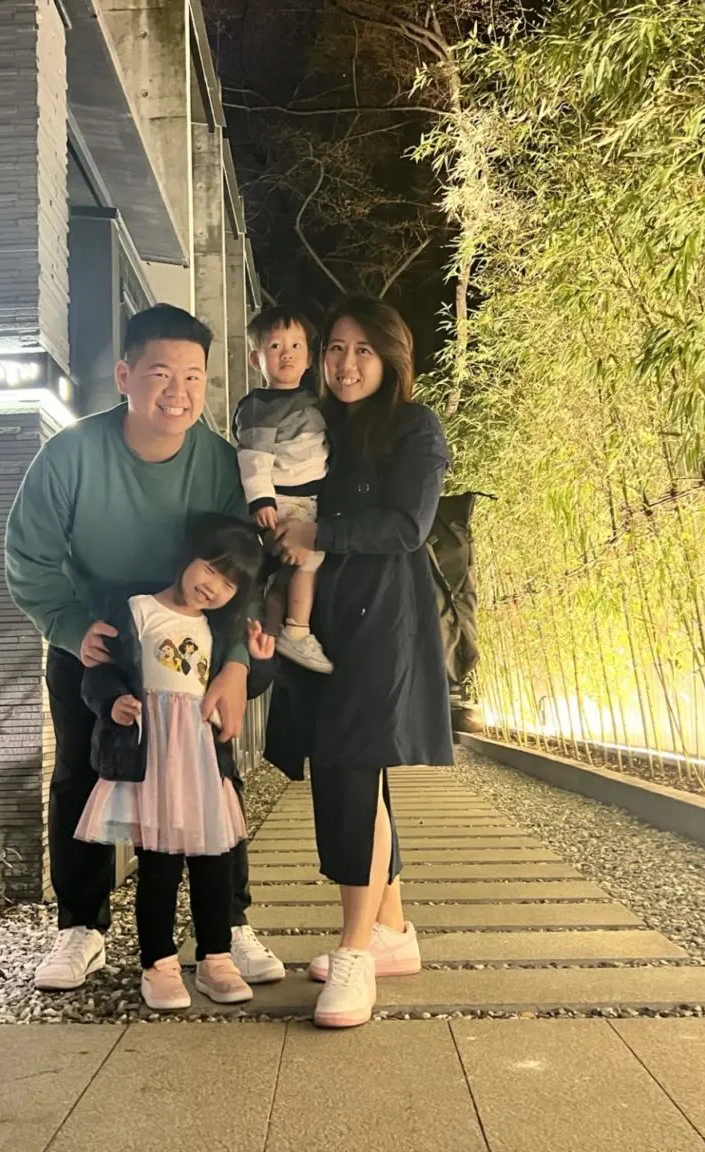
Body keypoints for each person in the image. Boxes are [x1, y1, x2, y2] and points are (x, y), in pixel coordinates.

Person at [5, 304, 286, 993]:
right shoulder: (70, 454)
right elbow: (29, 558)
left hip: (192, 641)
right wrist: (70, 628)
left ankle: (229, 924)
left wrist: (235, 664)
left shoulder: (218, 463)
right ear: (125, 375)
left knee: (215, 777)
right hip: (99, 636)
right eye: (161, 373)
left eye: (193, 376)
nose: (179, 391)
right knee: (82, 771)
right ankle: (81, 926)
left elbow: (245, 573)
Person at [266, 295, 453, 1029]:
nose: (346, 364)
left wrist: (320, 533)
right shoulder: (313, 424)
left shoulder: (413, 425)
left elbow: (408, 525)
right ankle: (391, 932)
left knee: (349, 772)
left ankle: (354, 951)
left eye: (363, 350)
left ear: (392, 357)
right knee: (354, 770)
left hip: (382, 621)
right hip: (318, 622)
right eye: (336, 349)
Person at [77, 515, 277, 1010]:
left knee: (215, 862)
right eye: (211, 568)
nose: (214, 586)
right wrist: (113, 703)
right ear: (188, 555)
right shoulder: (138, 611)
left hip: (203, 761)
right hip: (154, 759)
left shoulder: (219, 628)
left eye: (229, 584)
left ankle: (216, 958)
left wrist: (260, 661)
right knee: (159, 865)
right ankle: (159, 963)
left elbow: (244, 690)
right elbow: (99, 672)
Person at [232, 307, 333, 674]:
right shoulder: (259, 408)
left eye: (295, 345)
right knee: (310, 559)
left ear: (309, 358)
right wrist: (262, 499)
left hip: (310, 497)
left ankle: (272, 630)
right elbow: (253, 458)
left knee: (286, 573)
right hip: (286, 499)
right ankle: (297, 630)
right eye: (275, 346)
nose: (286, 354)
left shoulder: (312, 401)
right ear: (255, 358)